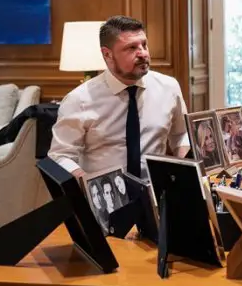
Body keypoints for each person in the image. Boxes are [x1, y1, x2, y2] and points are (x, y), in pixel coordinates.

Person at [48, 16, 190, 180]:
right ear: (107, 54)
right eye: (131, 48)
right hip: (106, 197)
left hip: (156, 192)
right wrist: (88, 184)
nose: (143, 53)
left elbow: (181, 134)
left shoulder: (168, 87)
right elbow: (59, 156)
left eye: (144, 44)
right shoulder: (79, 100)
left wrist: (184, 171)